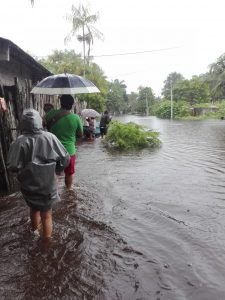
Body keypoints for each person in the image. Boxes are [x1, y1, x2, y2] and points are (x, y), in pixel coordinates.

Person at [7, 109, 70, 241]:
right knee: (46, 215)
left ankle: (34, 233)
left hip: (29, 183)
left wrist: (23, 172)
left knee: (33, 208)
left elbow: (12, 166)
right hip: (48, 183)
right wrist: (57, 171)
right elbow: (65, 158)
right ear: (39, 121)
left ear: (23, 123)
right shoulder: (50, 137)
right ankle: (46, 245)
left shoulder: (19, 141)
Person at [45, 94, 83, 190]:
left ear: (60, 103)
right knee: (69, 174)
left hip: (52, 150)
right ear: (72, 105)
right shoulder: (76, 118)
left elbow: (44, 126)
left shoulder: (50, 114)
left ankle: (52, 194)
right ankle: (68, 191)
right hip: (69, 151)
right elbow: (80, 134)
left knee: (54, 173)